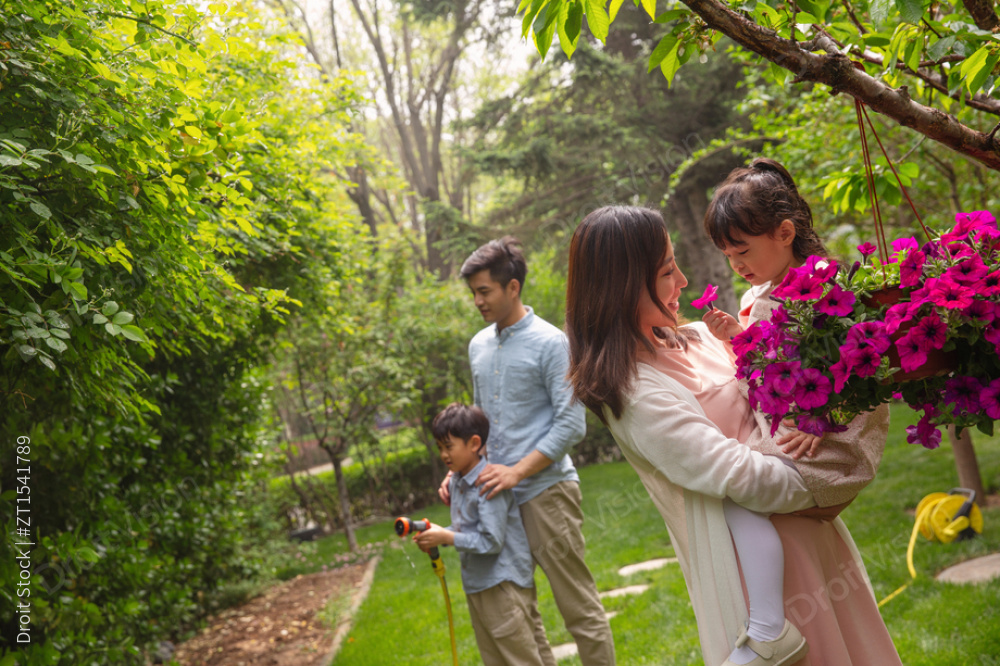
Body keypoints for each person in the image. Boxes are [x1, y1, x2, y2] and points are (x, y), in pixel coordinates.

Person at [565, 205, 901, 666]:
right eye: (666, 272)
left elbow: (777, 392)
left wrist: (825, 440)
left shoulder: (703, 337)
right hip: (759, 572)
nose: (683, 281)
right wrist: (818, 488)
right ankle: (767, 631)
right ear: (621, 286)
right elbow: (731, 474)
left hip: (813, 538)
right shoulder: (633, 391)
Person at [695, 158, 892, 664]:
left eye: (743, 249)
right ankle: (767, 622)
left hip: (831, 448)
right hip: (795, 439)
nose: (736, 264)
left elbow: (859, 363)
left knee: (735, 493)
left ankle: (767, 629)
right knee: (728, 489)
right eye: (727, 254)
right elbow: (771, 372)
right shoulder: (762, 295)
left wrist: (821, 419)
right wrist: (738, 338)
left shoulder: (823, 288)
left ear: (784, 233)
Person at [439, 237, 615, 665]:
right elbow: (477, 427)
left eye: (485, 291)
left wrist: (517, 471)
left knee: (578, 607)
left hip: (545, 493)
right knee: (520, 610)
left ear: (513, 287)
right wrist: (457, 471)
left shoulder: (551, 343)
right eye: (473, 292)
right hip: (494, 498)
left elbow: (571, 424)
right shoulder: (478, 345)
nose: (477, 301)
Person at [414, 403, 555, 666]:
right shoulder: (458, 481)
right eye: (440, 447)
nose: (443, 454)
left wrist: (447, 538)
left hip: (501, 586)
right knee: (504, 657)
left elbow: (491, 541)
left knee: (521, 658)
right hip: (481, 584)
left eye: (449, 446)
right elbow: (468, 531)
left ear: (474, 443)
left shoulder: (487, 484)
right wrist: (438, 534)